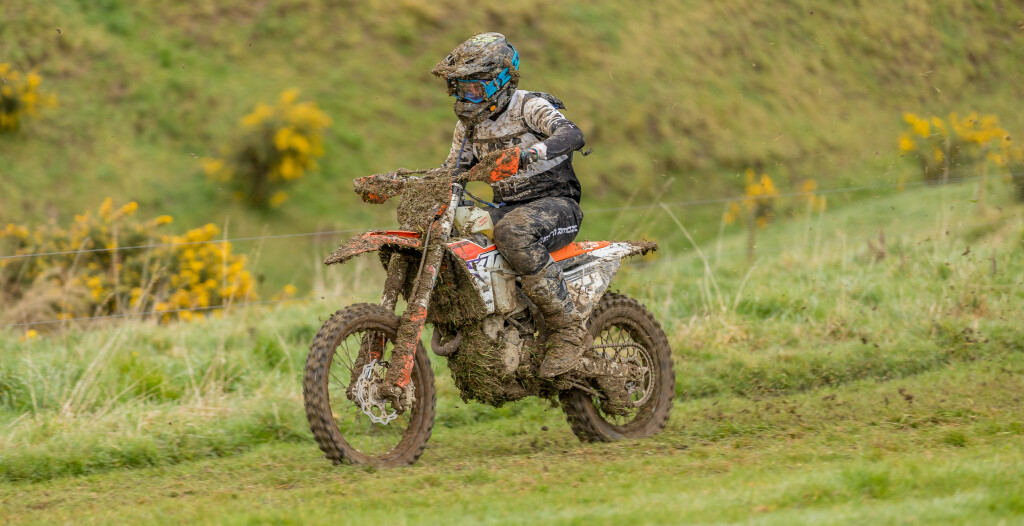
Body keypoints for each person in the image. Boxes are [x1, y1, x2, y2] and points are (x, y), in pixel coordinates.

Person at [432, 32, 587, 378]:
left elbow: (572, 134)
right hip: (508, 206)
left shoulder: (528, 106)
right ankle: (496, 323)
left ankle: (568, 329)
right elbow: (452, 173)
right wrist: (401, 184)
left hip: (557, 204)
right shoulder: (467, 127)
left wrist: (530, 154)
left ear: (502, 81)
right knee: (460, 236)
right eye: (461, 89)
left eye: (476, 89)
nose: (467, 97)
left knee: (511, 232)